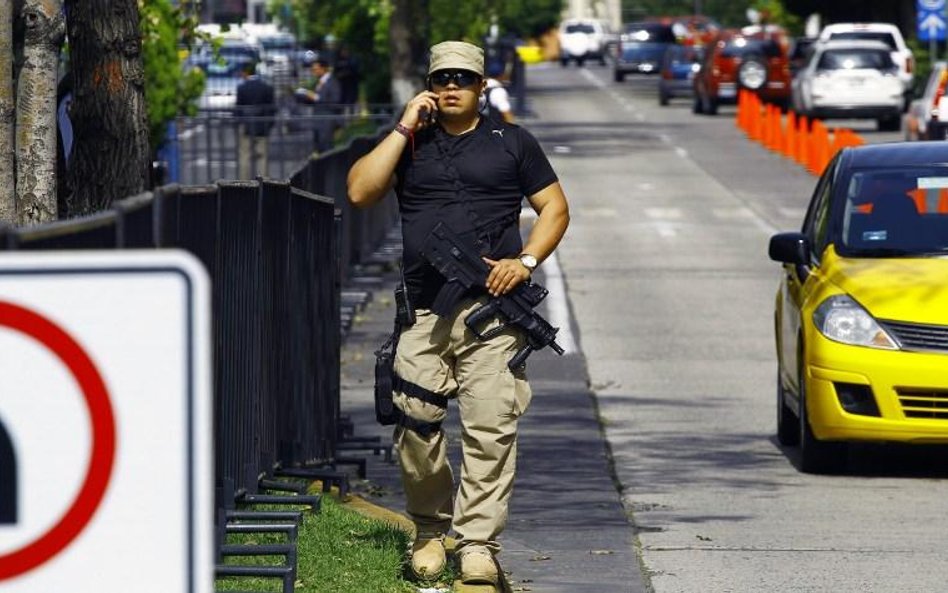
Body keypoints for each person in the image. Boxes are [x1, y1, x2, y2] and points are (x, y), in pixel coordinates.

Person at [347, 41, 570, 586]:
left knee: (490, 429)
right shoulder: (411, 145)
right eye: (442, 78)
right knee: (415, 423)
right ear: (428, 84)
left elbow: (555, 209)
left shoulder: (511, 142)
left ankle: (477, 545)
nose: (451, 87)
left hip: (493, 316)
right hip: (424, 314)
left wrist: (525, 260)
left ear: (481, 85)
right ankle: (429, 529)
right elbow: (359, 191)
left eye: (463, 79)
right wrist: (402, 128)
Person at [235, 62, 276, 178]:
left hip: (247, 126)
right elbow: (272, 108)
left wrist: (239, 123)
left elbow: (238, 109)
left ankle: (244, 183)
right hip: (263, 125)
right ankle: (263, 182)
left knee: (244, 156)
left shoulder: (242, 88)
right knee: (262, 156)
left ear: (245, 72)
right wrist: (270, 124)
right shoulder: (266, 87)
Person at [295, 58, 342, 152]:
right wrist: (304, 97)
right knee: (319, 146)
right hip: (318, 119)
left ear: (323, 69)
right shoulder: (320, 82)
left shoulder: (332, 82)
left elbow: (335, 100)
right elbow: (316, 100)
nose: (314, 72)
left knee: (326, 147)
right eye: (313, 70)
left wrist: (315, 97)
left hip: (327, 119)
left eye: (316, 69)